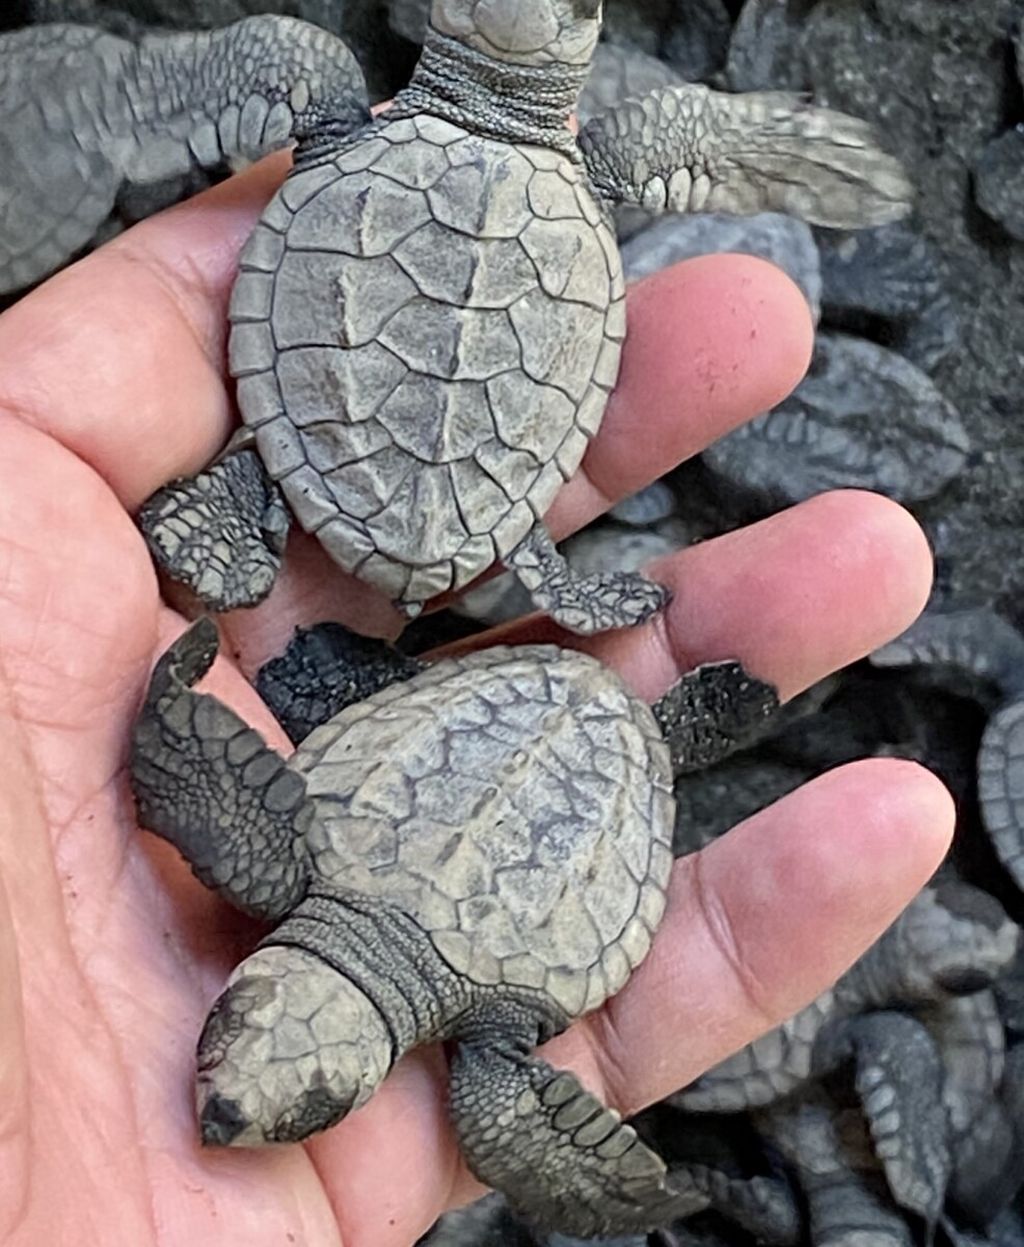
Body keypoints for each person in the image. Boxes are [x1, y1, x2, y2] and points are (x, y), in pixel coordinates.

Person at [0, 150, 952, 1246]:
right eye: (274, 1102)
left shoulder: (283, 870)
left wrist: (154, 694)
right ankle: (666, 735)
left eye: (222, 1053)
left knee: (291, 699)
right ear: (348, 1082)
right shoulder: (474, 1031)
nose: (217, 1107)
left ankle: (667, 730)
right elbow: (185, 761)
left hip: (501, 755)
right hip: (526, 771)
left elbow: (180, 757)